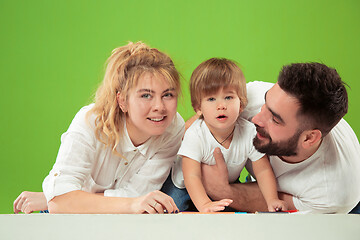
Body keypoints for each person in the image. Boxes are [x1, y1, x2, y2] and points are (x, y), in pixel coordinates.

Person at [13, 42, 185, 214]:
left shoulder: (173, 127)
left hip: (106, 212)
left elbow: (138, 195)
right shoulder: (91, 120)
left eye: (167, 95)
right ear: (122, 101)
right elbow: (60, 204)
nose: (159, 107)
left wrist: (64, 197)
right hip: (74, 215)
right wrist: (60, 198)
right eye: (146, 95)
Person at [200, 63, 360, 213]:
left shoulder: (332, 191)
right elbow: (199, 123)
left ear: (309, 138)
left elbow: (274, 205)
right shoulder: (250, 98)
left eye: (275, 119)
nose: (256, 119)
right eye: (265, 103)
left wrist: (221, 190)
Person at [169, 58, 287, 212]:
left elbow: (263, 170)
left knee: (230, 216)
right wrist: (204, 204)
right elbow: (192, 176)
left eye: (228, 97)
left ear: (241, 104)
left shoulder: (249, 132)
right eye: (211, 99)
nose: (221, 106)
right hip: (185, 184)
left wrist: (272, 199)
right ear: (198, 108)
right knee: (174, 208)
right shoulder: (196, 134)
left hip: (226, 182)